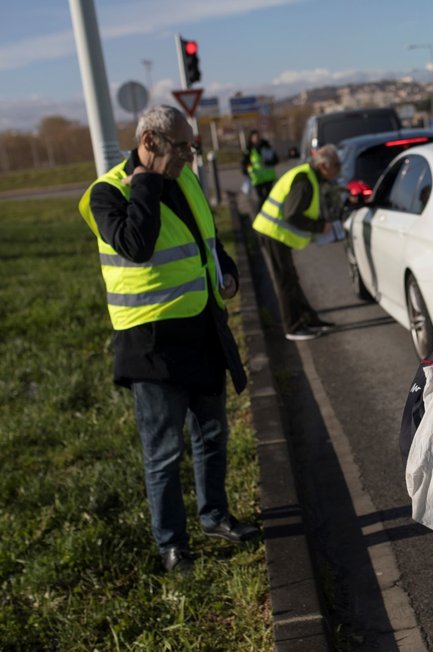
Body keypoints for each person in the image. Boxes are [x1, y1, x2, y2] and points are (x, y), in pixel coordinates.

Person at [78, 105, 259, 574]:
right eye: (181, 146)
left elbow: (208, 242)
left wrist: (230, 274)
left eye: (191, 146)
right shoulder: (107, 193)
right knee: (164, 452)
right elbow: (136, 245)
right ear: (150, 142)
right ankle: (171, 544)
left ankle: (215, 517)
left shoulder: (188, 180)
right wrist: (146, 181)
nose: (189, 155)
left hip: (201, 332)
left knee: (214, 436)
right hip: (152, 345)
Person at [252, 145, 343, 341]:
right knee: (286, 281)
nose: (339, 169)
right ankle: (293, 327)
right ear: (324, 166)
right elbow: (293, 215)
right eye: (337, 165)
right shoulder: (305, 180)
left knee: (291, 279)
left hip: (275, 233)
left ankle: (308, 319)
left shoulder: (309, 176)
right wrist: (319, 227)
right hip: (272, 233)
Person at [241, 129, 279, 205]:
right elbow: (244, 163)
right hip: (257, 178)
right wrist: (246, 174)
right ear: (251, 139)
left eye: (258, 137)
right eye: (255, 137)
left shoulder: (267, 147)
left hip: (268, 177)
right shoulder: (249, 150)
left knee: (270, 198)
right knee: (261, 199)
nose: (257, 139)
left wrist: (269, 163)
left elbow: (276, 159)